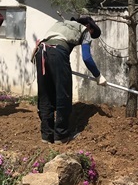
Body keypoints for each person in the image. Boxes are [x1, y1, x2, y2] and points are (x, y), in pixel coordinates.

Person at [32, 15, 107, 144]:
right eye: (92, 32)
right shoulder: (84, 30)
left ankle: (46, 135)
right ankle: (61, 136)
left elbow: (44, 43)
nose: (90, 36)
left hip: (40, 53)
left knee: (46, 95)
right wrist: (98, 76)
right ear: (88, 26)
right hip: (58, 54)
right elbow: (87, 58)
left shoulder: (61, 23)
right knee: (63, 95)